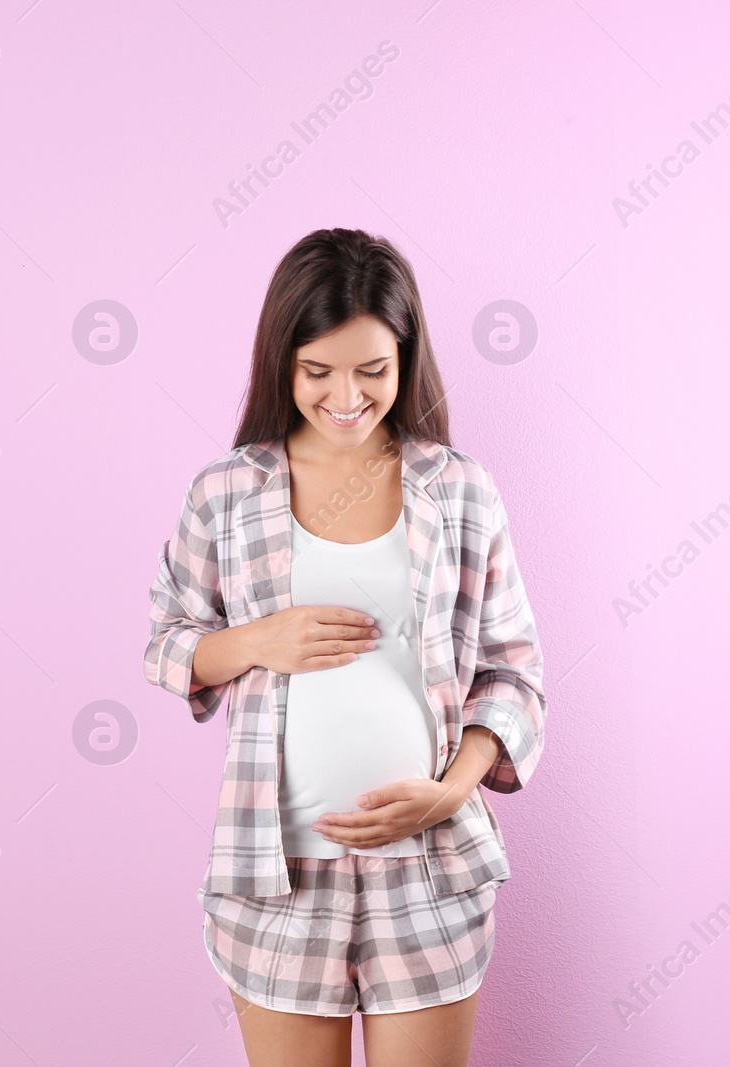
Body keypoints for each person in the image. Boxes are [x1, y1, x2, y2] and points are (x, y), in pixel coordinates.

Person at [143, 227, 547, 1066]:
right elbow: (167, 642)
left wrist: (450, 792)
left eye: (373, 371)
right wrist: (257, 639)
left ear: (406, 360)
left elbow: (512, 674)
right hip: (275, 871)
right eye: (318, 372)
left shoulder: (460, 488)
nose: (347, 396)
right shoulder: (226, 491)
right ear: (282, 361)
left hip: (428, 871)